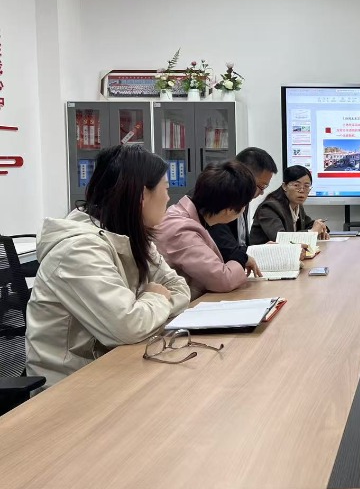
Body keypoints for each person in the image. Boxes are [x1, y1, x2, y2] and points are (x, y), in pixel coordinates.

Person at [25, 145, 190, 387]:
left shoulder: (132, 237)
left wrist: (147, 306)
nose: (168, 198)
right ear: (142, 195)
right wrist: (154, 299)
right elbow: (129, 327)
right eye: (165, 189)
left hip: (117, 366)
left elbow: (179, 289)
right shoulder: (79, 250)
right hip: (70, 386)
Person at [155, 161, 260, 299]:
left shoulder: (191, 217)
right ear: (230, 209)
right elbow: (223, 280)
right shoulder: (180, 230)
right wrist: (240, 258)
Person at [208, 147, 277, 262]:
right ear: (244, 176)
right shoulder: (218, 198)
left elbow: (241, 243)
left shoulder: (243, 196)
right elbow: (226, 249)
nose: (262, 193)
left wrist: (261, 250)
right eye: (261, 186)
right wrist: (260, 252)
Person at [249, 165, 329, 244]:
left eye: (306, 186)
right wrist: (312, 232)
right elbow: (280, 239)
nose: (302, 190)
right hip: (264, 252)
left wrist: (321, 226)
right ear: (284, 186)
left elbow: (309, 225)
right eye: (296, 185)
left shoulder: (297, 205)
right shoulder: (269, 207)